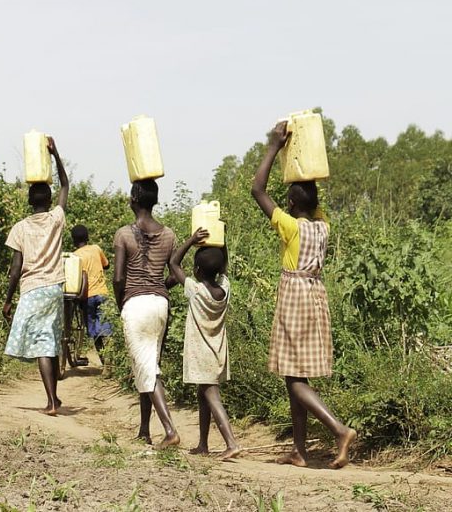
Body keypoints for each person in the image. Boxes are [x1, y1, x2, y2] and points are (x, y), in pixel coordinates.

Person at [251, 121, 356, 469]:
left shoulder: (291, 226)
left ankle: (339, 430)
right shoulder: (323, 224)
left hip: (294, 296)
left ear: (292, 202)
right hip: (315, 296)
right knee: (297, 375)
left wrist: (273, 148)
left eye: (289, 198)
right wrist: (303, 157)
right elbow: (312, 198)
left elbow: (257, 190)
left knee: (293, 378)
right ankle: (299, 449)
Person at [2, 136, 69, 416]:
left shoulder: (20, 228)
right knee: (50, 340)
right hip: (54, 288)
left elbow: (16, 268)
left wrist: (7, 300)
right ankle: (56, 398)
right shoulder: (56, 218)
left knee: (43, 343)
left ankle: (51, 401)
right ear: (49, 200)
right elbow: (66, 184)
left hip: (32, 289)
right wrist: (56, 155)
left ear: (30, 201)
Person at [113, 179, 180, 449]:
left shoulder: (124, 235)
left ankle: (170, 430)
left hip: (136, 305)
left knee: (147, 368)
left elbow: (118, 278)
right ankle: (144, 429)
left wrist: (122, 303)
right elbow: (176, 272)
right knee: (148, 365)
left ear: (133, 200)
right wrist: (160, 286)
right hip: (160, 304)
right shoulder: (169, 235)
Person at [170, 228, 241, 461]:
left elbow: (173, 264)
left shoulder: (196, 290)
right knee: (203, 395)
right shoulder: (225, 289)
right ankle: (203, 444)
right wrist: (221, 239)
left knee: (212, 397)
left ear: (197, 270)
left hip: (201, 354)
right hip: (217, 352)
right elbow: (225, 265)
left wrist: (191, 240)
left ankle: (231, 443)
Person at [71, 224, 112, 361]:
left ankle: (103, 359)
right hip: (102, 293)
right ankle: (110, 362)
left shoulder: (74, 256)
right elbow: (106, 265)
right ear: (87, 237)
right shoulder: (96, 249)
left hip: (87, 297)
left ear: (73, 240)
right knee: (106, 329)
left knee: (95, 331)